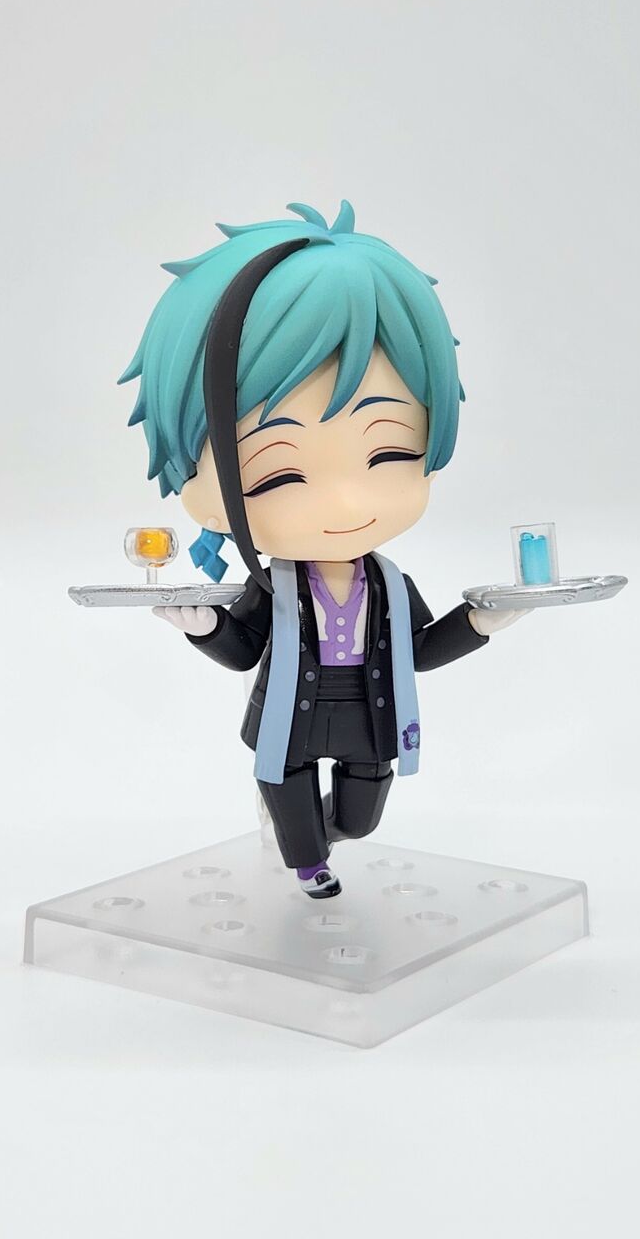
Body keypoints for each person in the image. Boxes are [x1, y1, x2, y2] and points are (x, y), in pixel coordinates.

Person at [119, 201, 527, 898]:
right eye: (279, 472)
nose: (344, 505)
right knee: (289, 796)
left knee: (361, 817)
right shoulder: (274, 587)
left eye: (389, 452)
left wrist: (481, 622)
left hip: (369, 712)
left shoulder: (390, 585)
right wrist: (204, 626)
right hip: (292, 717)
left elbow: (419, 650)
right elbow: (244, 652)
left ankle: (330, 835)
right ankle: (308, 863)